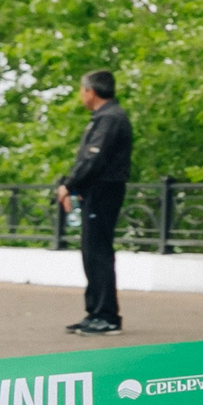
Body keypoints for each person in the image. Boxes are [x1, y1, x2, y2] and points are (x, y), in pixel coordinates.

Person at [52, 70, 132, 336]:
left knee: (97, 253)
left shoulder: (110, 118)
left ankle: (106, 316)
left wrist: (69, 185)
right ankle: (95, 313)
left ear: (91, 91)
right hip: (97, 191)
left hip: (103, 191)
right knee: (92, 252)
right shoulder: (105, 117)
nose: (81, 95)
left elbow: (93, 160)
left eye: (81, 90)